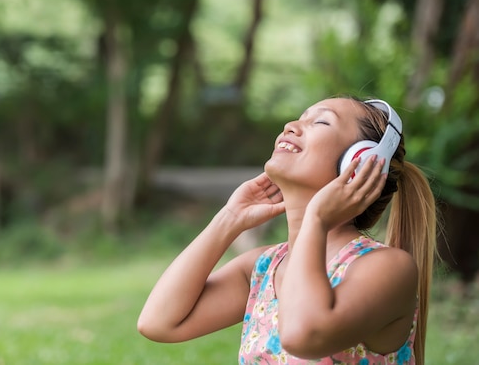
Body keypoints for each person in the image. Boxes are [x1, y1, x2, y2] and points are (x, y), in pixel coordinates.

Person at [137, 96, 437, 365]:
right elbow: (159, 323)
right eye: (300, 116)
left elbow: (302, 336)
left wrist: (316, 219)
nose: (291, 125)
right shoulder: (263, 268)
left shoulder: (387, 268)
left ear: (358, 164)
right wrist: (228, 219)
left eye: (320, 121)